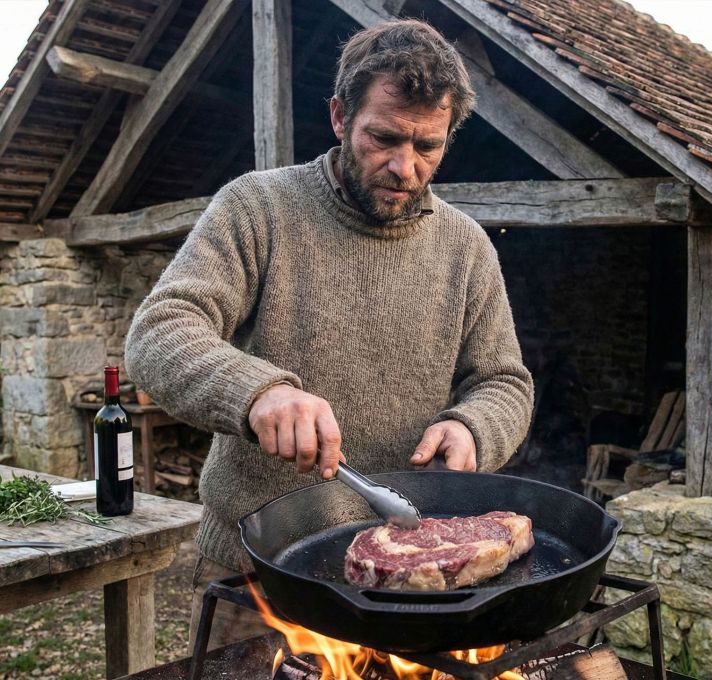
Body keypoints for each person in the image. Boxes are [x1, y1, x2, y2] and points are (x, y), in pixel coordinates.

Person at [125, 19, 534, 649]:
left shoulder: (467, 247)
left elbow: (504, 380)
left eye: (429, 146)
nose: (405, 167)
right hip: (262, 568)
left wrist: (474, 425)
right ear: (341, 117)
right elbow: (160, 330)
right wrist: (257, 392)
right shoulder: (258, 208)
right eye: (384, 138)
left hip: (412, 576)